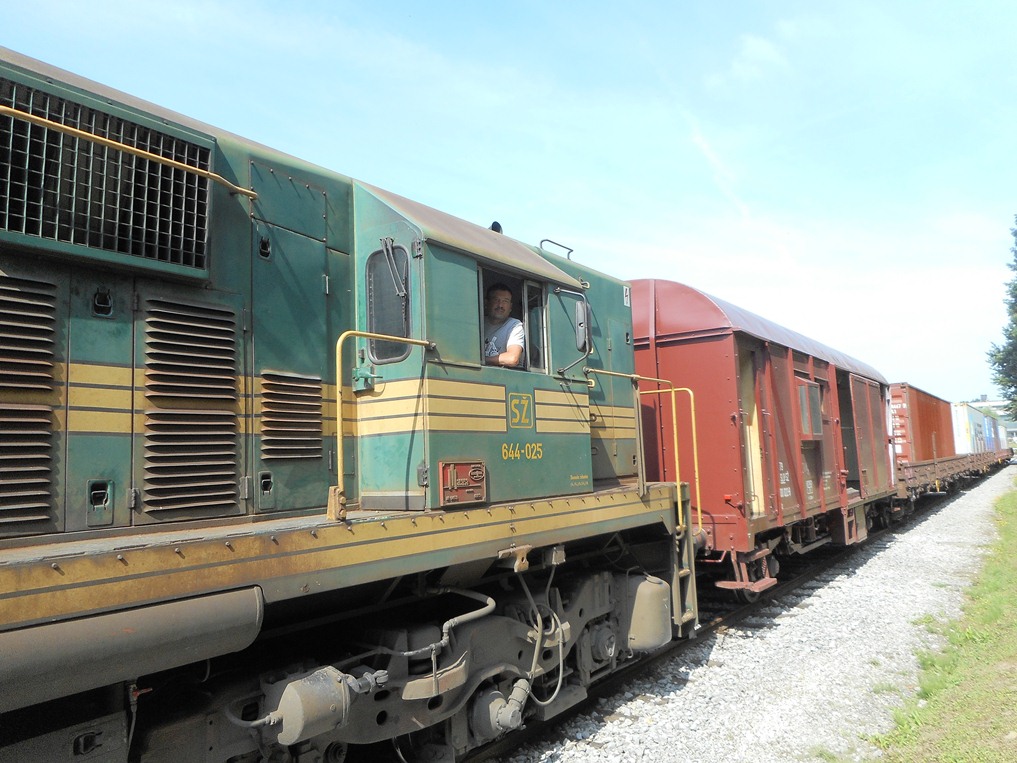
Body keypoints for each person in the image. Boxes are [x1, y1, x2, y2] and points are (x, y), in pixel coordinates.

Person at [483, 283, 524, 367]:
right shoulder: (478, 322)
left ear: (510, 307)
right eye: (496, 300)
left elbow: (512, 359)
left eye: (505, 301)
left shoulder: (514, 325)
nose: (500, 305)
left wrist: (481, 360)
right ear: (486, 303)